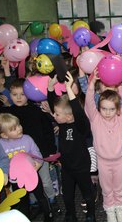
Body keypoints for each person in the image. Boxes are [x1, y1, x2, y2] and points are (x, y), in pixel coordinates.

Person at [0, 79, 59, 216]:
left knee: (45, 182)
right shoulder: (9, 112)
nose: (18, 98)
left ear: (29, 94)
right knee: (27, 185)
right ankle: (35, 204)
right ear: (10, 95)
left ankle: (52, 202)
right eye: (14, 94)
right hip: (21, 160)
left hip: (39, 155)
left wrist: (50, 151)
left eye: (22, 94)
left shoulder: (37, 111)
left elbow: (48, 131)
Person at [85, 68, 122, 222]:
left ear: (117, 109)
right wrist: (92, 83)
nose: (107, 112)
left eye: (111, 109)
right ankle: (110, 211)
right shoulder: (95, 119)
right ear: (99, 109)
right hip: (103, 161)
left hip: (119, 160)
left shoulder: (121, 117)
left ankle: (119, 208)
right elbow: (89, 102)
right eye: (104, 108)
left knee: (119, 188)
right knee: (106, 189)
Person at [47, 72, 95, 222]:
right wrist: (50, 86)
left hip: (81, 167)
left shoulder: (81, 126)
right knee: (67, 195)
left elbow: (78, 113)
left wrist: (69, 89)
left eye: (57, 114)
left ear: (69, 116)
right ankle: (70, 213)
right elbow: (51, 103)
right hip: (67, 167)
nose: (54, 116)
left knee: (87, 192)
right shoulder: (61, 124)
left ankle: (91, 214)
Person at [0, 113, 54, 222]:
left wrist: (38, 164)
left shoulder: (27, 139)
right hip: (15, 179)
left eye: (19, 125)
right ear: (4, 135)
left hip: (31, 175)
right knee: (22, 201)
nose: (19, 128)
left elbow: (37, 154)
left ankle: (48, 215)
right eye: (13, 129)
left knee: (41, 196)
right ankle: (26, 218)